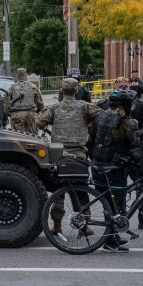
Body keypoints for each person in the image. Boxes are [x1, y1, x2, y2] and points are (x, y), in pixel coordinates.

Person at [37, 77, 101, 239]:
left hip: (59, 155)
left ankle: (57, 226)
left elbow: (38, 121)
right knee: (80, 191)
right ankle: (84, 226)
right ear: (77, 91)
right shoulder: (85, 107)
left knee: (59, 191)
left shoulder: (54, 108)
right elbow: (101, 117)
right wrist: (88, 124)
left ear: (61, 91)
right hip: (79, 155)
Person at [100, 77, 143, 230]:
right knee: (118, 188)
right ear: (114, 87)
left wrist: (138, 133)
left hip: (135, 154)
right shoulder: (104, 106)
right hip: (114, 156)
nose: (125, 88)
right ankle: (119, 217)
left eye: (127, 86)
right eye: (121, 86)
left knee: (142, 185)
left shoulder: (138, 105)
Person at [89, 89, 141, 253]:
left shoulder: (101, 116)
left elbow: (91, 140)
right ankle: (110, 240)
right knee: (117, 204)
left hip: (98, 166)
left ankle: (112, 238)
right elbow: (135, 150)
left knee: (108, 205)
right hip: (114, 169)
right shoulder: (127, 123)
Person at [5, 68, 44, 134]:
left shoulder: (12, 88)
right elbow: (39, 102)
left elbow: (6, 104)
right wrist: (38, 112)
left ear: (17, 76)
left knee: (19, 137)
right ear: (26, 75)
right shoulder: (33, 87)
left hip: (16, 115)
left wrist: (9, 114)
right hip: (31, 115)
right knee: (33, 136)